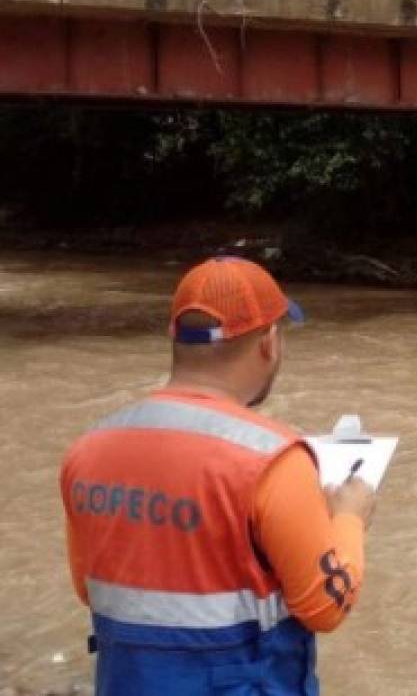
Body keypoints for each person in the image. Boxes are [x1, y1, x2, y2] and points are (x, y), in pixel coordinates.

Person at [60, 257, 377, 695]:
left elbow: (89, 588)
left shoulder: (88, 449)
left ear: (175, 338)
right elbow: (326, 605)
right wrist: (349, 518)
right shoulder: (273, 460)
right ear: (269, 341)